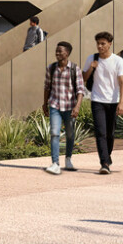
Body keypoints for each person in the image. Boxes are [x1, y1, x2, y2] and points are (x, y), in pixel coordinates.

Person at [82, 32, 123, 175]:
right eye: (98, 43)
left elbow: (122, 83)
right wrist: (91, 67)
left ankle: (107, 156)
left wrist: (122, 102)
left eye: (103, 43)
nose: (100, 46)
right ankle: (104, 163)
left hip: (113, 101)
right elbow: (84, 78)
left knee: (110, 133)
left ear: (109, 44)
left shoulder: (117, 61)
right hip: (97, 100)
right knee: (100, 132)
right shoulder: (92, 58)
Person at [43, 39, 85, 175]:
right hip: (55, 105)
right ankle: (55, 163)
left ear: (67, 53)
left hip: (69, 106)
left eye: (60, 51)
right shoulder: (51, 68)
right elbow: (47, 87)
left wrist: (77, 106)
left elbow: (80, 90)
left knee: (70, 134)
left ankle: (68, 158)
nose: (57, 53)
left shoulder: (74, 69)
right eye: (56, 51)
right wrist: (45, 103)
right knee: (54, 133)